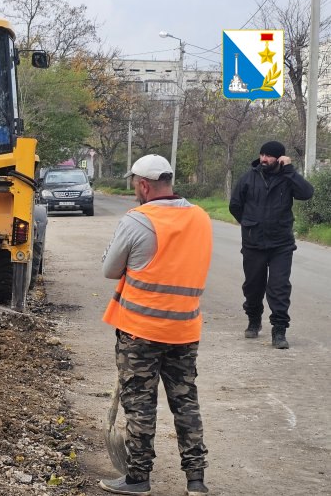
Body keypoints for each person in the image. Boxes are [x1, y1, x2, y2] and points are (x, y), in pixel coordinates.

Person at [99, 154, 213, 496]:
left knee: (140, 405)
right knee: (186, 403)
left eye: (135, 184)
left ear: (144, 185)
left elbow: (109, 269)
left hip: (141, 332)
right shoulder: (201, 218)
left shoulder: (138, 220)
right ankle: (196, 481)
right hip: (185, 330)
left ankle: (138, 479)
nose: (135, 189)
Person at [229, 141, 314, 349]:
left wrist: (290, 170)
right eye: (262, 154)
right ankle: (254, 319)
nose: (264, 159)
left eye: (269, 156)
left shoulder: (287, 178)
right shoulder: (249, 178)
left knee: (279, 288)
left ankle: (279, 331)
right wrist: (249, 224)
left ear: (280, 158)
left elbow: (307, 193)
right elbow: (235, 205)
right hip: (254, 244)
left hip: (281, 244)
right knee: (253, 287)